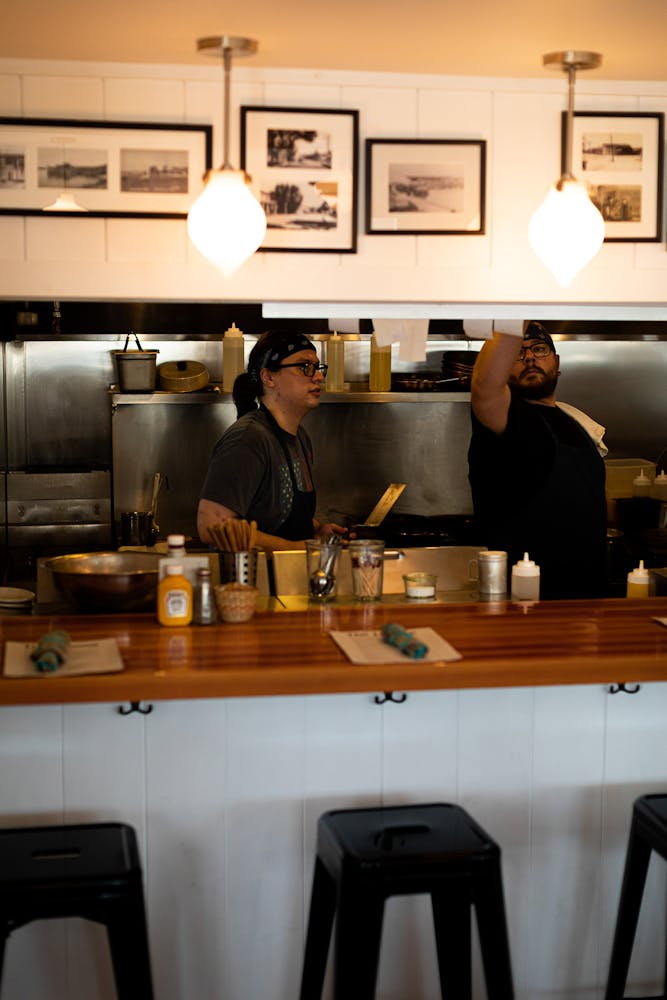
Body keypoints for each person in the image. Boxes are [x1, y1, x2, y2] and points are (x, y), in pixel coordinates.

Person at [467, 321, 608, 599]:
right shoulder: (506, 419)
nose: (530, 357)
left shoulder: (574, 422)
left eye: (539, 349)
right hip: (528, 605)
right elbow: (485, 385)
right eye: (518, 353)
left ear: (556, 362)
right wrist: (520, 303)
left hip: (590, 599)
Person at [197, 330, 346, 551]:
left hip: (289, 578)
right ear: (268, 378)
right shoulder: (248, 439)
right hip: (252, 578)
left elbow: (277, 512)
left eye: (317, 367)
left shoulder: (301, 437)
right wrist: (294, 548)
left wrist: (315, 530)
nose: (318, 376)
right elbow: (211, 525)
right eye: (304, 367)